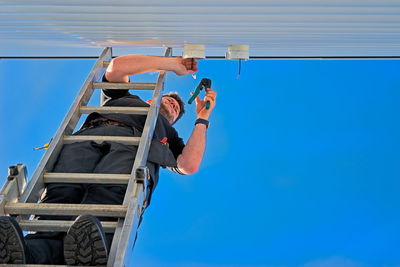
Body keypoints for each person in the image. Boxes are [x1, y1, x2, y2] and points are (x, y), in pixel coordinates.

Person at [0, 55, 217, 265]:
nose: (174, 105)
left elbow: (189, 164)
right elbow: (116, 68)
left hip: (134, 151)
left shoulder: (168, 135)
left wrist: (202, 118)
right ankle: (32, 253)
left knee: (105, 200)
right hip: (87, 141)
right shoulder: (124, 99)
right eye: (170, 100)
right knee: (59, 197)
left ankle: (90, 255)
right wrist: (172, 65)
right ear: (151, 99)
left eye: (177, 109)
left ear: (174, 121)